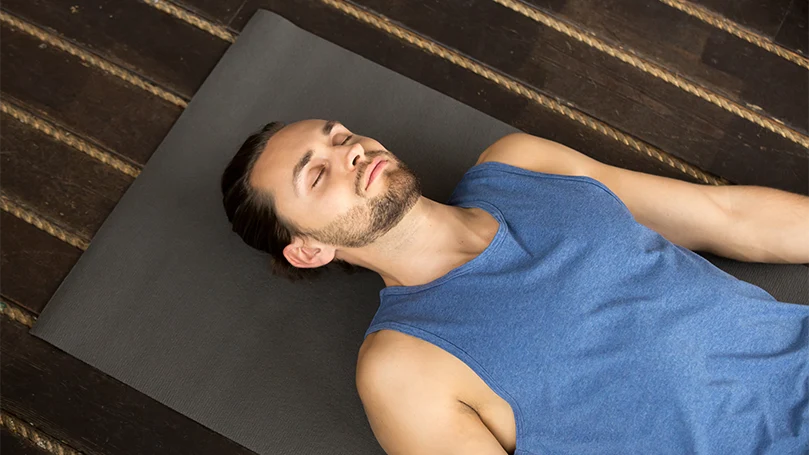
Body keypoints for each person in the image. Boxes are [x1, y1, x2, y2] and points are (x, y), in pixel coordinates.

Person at [221, 119, 809, 454]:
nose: (347, 151)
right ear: (309, 250)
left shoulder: (520, 163)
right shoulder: (402, 367)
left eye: (336, 135)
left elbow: (728, 217)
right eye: (317, 173)